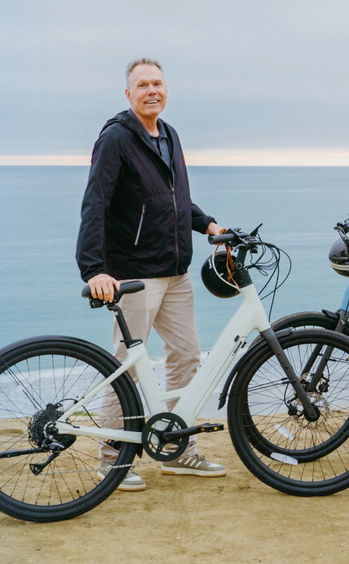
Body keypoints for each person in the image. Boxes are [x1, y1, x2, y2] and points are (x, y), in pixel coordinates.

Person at [76, 58, 228, 492]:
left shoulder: (170, 135)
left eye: (157, 83)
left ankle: (178, 449)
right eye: (142, 85)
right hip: (135, 275)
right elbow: (95, 205)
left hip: (176, 273)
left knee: (186, 357)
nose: (151, 90)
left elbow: (176, 199)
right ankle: (113, 460)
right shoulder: (116, 140)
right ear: (129, 94)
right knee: (124, 366)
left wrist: (208, 223)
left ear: (166, 89)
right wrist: (94, 270)